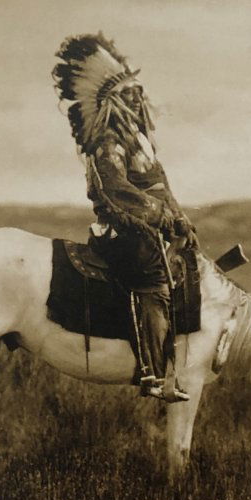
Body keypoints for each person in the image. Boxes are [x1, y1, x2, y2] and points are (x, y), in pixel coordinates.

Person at [52, 33, 198, 402]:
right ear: (114, 102)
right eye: (129, 94)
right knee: (152, 278)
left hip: (152, 226)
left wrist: (179, 219)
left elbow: (162, 187)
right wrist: (158, 215)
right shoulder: (106, 143)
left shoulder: (142, 142)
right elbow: (113, 190)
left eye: (138, 92)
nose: (137, 98)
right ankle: (152, 372)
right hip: (124, 230)